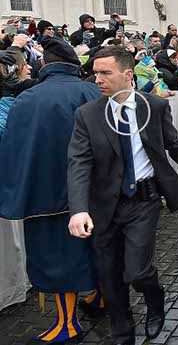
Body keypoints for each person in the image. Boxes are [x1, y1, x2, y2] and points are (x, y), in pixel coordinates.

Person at [66, 46, 178, 345]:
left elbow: (174, 143)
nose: (97, 79)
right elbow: (78, 163)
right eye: (95, 73)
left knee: (137, 271)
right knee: (110, 276)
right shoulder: (87, 115)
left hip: (143, 201)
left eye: (105, 73)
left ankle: (154, 297)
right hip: (103, 207)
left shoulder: (155, 106)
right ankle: (122, 333)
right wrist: (78, 209)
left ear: (128, 75)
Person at [0, 38, 103, 345]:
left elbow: (14, 149)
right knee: (99, 248)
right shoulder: (94, 91)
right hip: (95, 192)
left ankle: (67, 324)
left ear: (44, 64)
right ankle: (99, 297)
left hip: (46, 196)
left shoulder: (28, 98)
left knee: (57, 257)